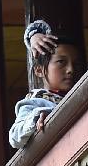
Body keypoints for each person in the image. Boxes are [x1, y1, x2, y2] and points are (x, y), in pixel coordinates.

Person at [9, 20, 83, 149]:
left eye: (76, 64)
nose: (71, 69)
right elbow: (15, 137)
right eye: (61, 62)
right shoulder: (36, 101)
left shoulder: (82, 95)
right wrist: (41, 115)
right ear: (39, 70)